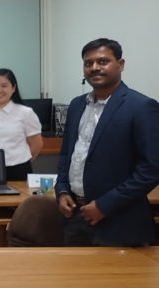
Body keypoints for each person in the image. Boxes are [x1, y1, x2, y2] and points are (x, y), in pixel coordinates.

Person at [55, 38, 159, 247]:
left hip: (121, 222)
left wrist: (105, 205)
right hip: (76, 216)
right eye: (88, 63)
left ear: (120, 64)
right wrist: (62, 189)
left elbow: (151, 169)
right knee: (74, 279)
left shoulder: (141, 107)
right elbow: (68, 154)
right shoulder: (76, 105)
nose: (94, 68)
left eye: (103, 61)